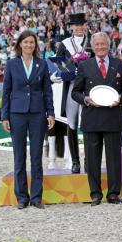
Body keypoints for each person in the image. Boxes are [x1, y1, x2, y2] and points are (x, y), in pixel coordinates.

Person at [71, 32, 122, 206]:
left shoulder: (120, 65)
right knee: (92, 159)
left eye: (103, 44)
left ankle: (113, 194)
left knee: (114, 158)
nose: (100, 47)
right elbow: (75, 92)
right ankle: (95, 194)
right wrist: (86, 100)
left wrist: (120, 99)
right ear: (93, 46)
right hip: (92, 117)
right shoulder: (85, 66)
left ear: (108, 46)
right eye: (97, 44)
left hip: (113, 117)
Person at [1, 30, 55, 209]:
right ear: (20, 45)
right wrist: (5, 116)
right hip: (16, 114)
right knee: (19, 157)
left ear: (35, 45)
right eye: (25, 42)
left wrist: (51, 113)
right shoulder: (11, 64)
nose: (29, 45)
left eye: (32, 42)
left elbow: (47, 90)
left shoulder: (42, 64)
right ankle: (22, 197)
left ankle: (37, 197)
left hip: (38, 113)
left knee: (36, 156)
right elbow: (6, 91)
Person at [49, 13, 93, 173]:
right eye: (76, 25)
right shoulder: (65, 43)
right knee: (72, 123)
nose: (80, 27)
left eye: (82, 24)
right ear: (71, 27)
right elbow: (57, 63)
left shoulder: (92, 41)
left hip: (89, 87)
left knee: (89, 124)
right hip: (72, 86)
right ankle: (75, 161)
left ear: (85, 25)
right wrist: (57, 74)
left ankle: (89, 160)